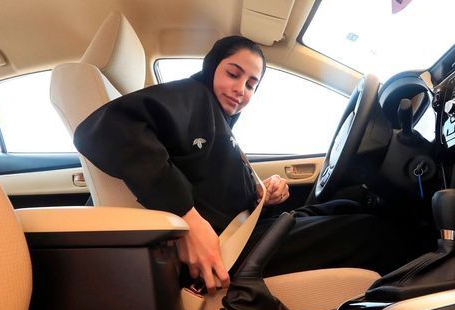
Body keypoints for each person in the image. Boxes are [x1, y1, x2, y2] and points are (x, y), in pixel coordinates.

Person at [74, 36, 402, 294]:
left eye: (251, 84)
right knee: (372, 232)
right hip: (231, 251)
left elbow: (210, 179)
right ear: (211, 67)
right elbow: (105, 129)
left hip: (250, 229)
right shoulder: (192, 97)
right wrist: (188, 218)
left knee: (349, 203)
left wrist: (263, 193)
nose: (240, 90)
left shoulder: (217, 122)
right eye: (233, 73)